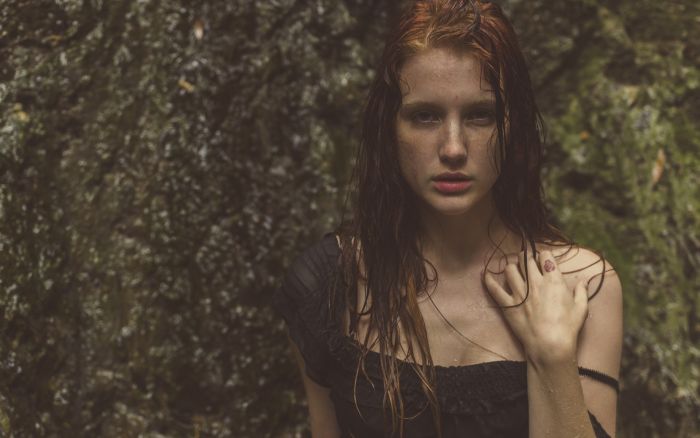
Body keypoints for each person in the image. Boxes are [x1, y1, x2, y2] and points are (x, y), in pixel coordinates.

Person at [272, 0, 623, 437]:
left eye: (480, 115)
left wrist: (552, 356)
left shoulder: (580, 286)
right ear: (390, 128)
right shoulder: (328, 287)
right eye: (426, 116)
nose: (453, 147)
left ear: (512, 127)